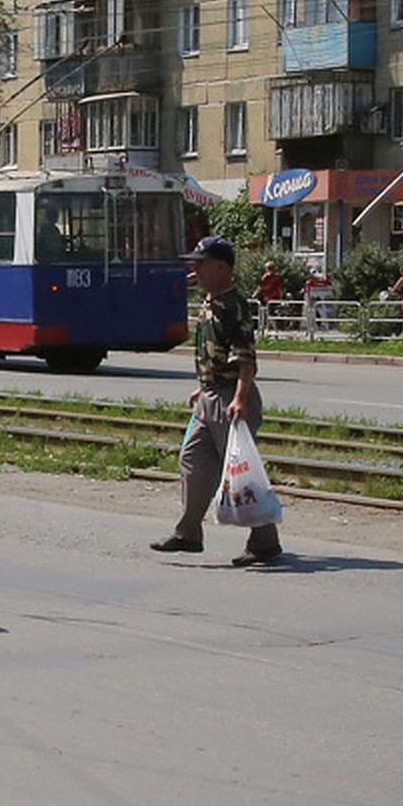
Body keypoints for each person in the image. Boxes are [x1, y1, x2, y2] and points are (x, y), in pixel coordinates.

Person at [150, 236, 282, 567]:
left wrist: (239, 397)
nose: (194, 269)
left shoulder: (233, 305)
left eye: (201, 263)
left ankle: (265, 541)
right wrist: (203, 385)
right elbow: (213, 353)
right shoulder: (210, 301)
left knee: (241, 471)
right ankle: (189, 533)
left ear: (222, 267)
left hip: (231, 398)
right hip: (210, 395)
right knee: (192, 461)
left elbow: (245, 358)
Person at [252, 260, 284, 330]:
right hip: (275, 298)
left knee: (270, 314)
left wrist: (254, 295)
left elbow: (260, 287)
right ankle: (268, 329)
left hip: (269, 298)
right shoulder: (277, 277)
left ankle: (275, 330)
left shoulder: (265, 277)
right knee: (269, 313)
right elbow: (280, 289)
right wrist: (281, 299)